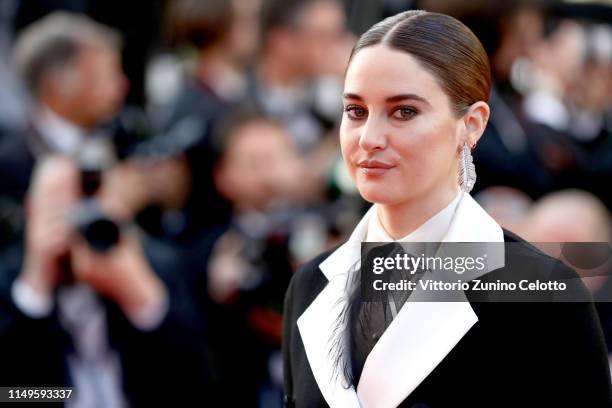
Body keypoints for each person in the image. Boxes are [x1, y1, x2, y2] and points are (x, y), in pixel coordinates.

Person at [282, 10, 612, 408]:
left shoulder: (542, 294)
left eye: (404, 111)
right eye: (356, 111)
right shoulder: (310, 285)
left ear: (471, 124)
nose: (369, 138)